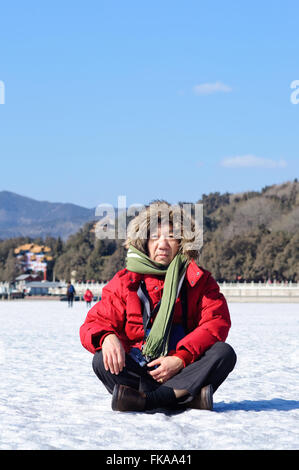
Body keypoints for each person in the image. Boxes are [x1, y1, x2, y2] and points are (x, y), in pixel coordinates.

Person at [79, 201, 237, 412]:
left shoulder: (198, 280)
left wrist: (180, 359)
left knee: (223, 353)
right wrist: (106, 337)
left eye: (170, 236)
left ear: (182, 242)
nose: (162, 244)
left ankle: (145, 400)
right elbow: (95, 322)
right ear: (143, 242)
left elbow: (216, 322)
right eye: (154, 236)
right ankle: (186, 397)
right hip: (139, 369)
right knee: (101, 360)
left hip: (183, 369)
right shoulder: (125, 280)